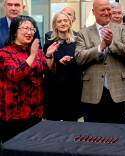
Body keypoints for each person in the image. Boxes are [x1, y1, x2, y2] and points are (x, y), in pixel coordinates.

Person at [0, 15, 59, 143]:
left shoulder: (37, 51)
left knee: (33, 147)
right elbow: (14, 75)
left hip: (35, 110)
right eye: (25, 28)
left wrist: (49, 55)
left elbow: (47, 69)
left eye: (32, 29)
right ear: (15, 31)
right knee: (13, 147)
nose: (29, 32)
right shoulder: (5, 53)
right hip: (13, 113)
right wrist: (32, 55)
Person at [75, 0, 125, 124]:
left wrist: (112, 43)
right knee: (93, 135)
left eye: (109, 9)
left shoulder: (123, 30)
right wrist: (100, 48)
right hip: (92, 92)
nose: (107, 12)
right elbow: (79, 58)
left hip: (120, 91)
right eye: (103, 10)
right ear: (93, 12)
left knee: (120, 134)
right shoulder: (83, 33)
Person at [43, 11, 82, 121]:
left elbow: (83, 62)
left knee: (71, 125)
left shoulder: (78, 42)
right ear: (55, 25)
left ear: (70, 23)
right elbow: (47, 68)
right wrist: (55, 60)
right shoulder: (49, 43)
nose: (63, 23)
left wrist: (72, 60)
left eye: (65, 21)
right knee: (52, 125)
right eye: (59, 21)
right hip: (54, 89)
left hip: (73, 89)